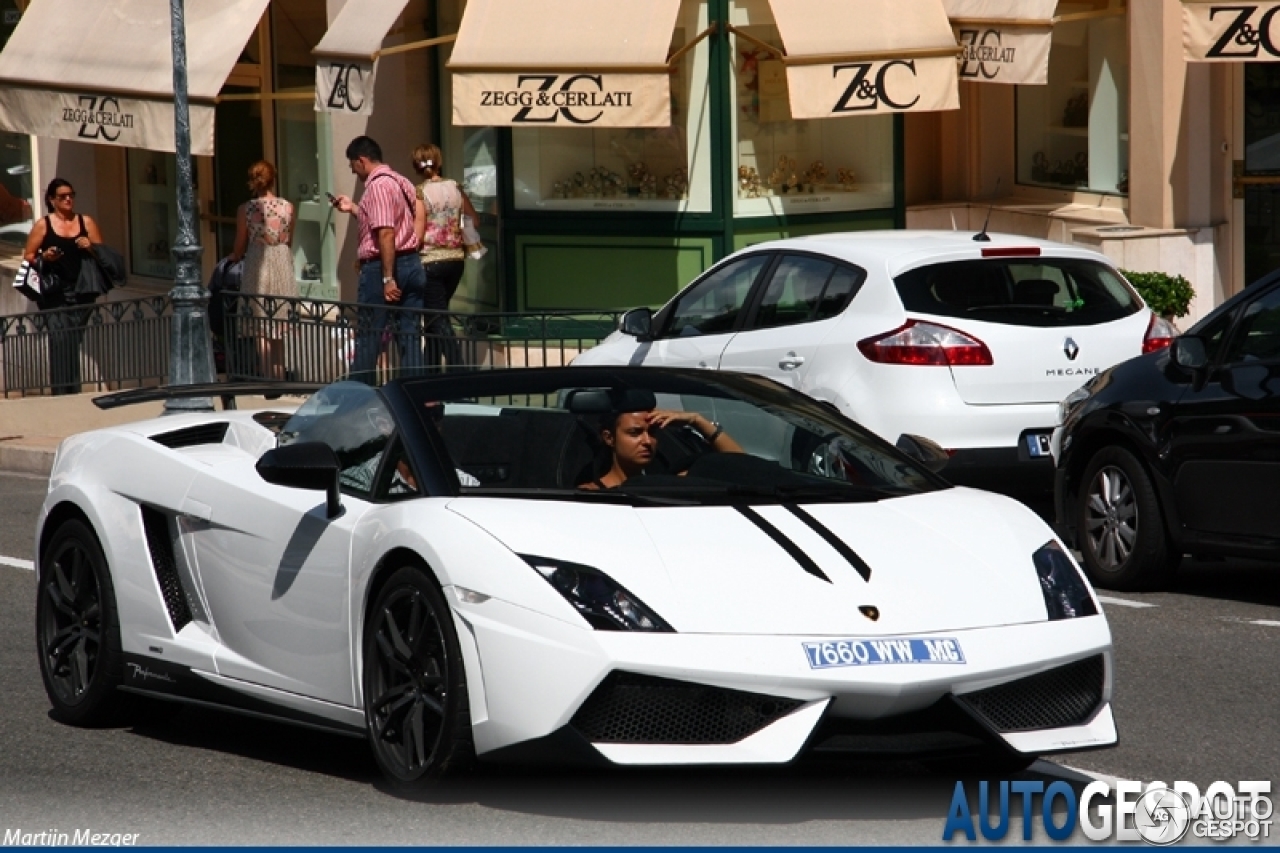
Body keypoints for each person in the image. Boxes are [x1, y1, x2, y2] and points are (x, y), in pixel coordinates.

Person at [332, 136, 425, 382]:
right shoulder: (401, 181)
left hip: (384, 268)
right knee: (410, 334)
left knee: (369, 335)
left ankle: (359, 396)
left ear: (361, 161)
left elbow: (385, 232)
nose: (354, 172)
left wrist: (387, 277)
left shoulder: (378, 186)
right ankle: (416, 394)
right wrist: (353, 208)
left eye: (353, 166)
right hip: (411, 262)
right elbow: (405, 220)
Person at [23, 178, 104, 394]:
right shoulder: (43, 225)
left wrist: (90, 247)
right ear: (52, 200)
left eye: (71, 195)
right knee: (59, 339)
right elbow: (29, 255)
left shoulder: (86, 222)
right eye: (62, 196)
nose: (68, 199)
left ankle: (72, 390)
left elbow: (103, 255)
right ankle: (61, 392)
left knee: (73, 339)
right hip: (54, 291)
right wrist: (45, 256)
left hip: (82, 291)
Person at [412, 143, 478, 372]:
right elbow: (474, 219)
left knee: (437, 319)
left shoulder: (419, 192)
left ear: (417, 166)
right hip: (456, 259)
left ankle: (457, 369)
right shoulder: (455, 187)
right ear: (438, 162)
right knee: (434, 317)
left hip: (430, 261)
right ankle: (430, 372)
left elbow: (418, 234)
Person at [229, 160, 296, 384]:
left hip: (259, 261)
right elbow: (289, 240)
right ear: (273, 179)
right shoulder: (288, 207)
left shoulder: (246, 209)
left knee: (260, 327)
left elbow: (240, 244)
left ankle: (268, 379)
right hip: (281, 261)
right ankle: (279, 375)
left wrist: (233, 257)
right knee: (278, 325)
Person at [581, 408, 742, 489]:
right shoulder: (591, 493)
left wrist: (697, 420)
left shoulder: (671, 482)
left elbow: (742, 466)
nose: (647, 441)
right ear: (609, 438)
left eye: (652, 432)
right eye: (635, 433)